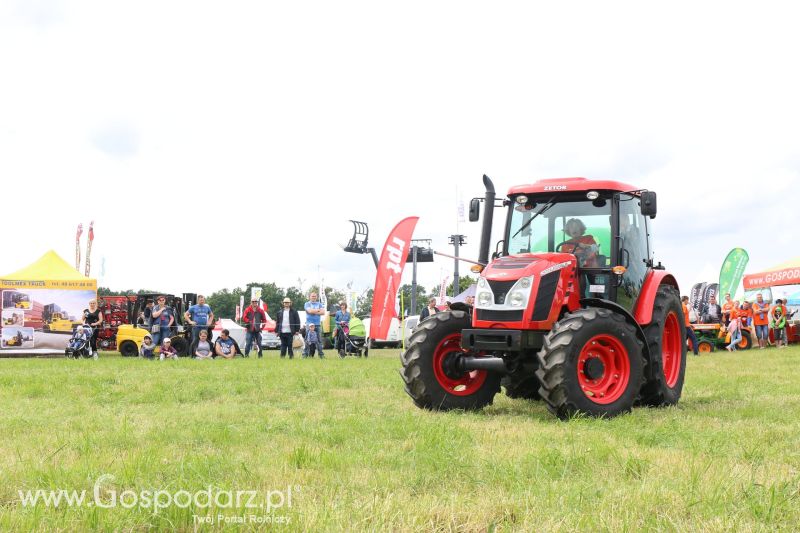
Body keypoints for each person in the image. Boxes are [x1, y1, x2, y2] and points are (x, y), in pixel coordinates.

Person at [303, 292, 326, 357]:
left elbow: (323, 312)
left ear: (317, 297)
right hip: (309, 324)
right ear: (309, 297)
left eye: (315, 296)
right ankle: (305, 354)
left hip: (317, 324)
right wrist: (318, 310)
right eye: (312, 296)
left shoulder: (320, 304)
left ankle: (321, 355)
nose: (314, 297)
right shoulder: (307, 304)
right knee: (307, 340)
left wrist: (313, 311)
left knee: (319, 340)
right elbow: (309, 311)